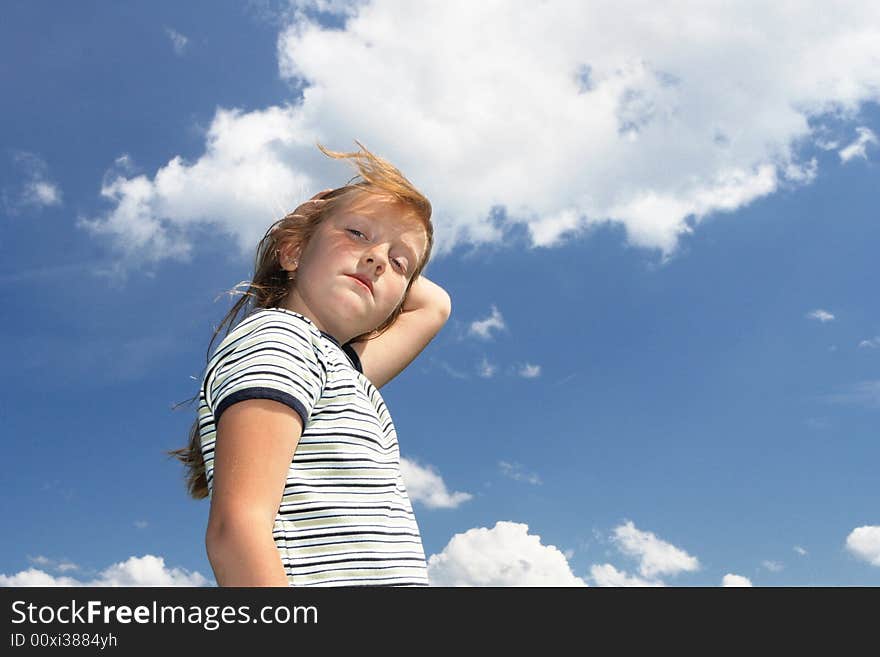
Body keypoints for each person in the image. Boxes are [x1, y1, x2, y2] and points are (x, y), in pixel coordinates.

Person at [168, 140, 451, 586]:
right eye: (357, 234)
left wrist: (335, 236)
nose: (378, 258)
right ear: (292, 253)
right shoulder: (280, 338)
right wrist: (314, 228)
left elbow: (434, 304)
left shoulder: (341, 369)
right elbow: (236, 530)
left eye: (400, 262)